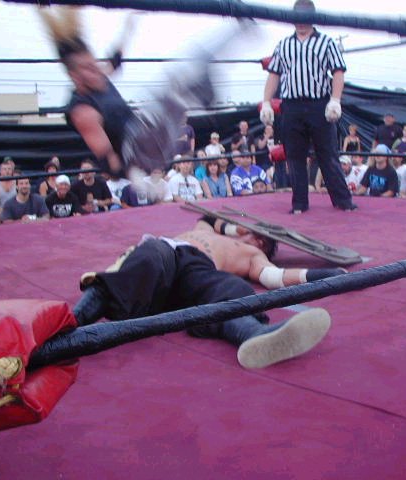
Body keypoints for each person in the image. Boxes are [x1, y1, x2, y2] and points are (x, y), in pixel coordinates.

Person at [72, 217, 345, 368]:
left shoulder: (253, 254)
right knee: (141, 266)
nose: (253, 237)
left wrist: (329, 275)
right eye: (253, 233)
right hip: (167, 253)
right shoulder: (208, 231)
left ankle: (254, 334)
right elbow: (207, 218)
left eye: (259, 238)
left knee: (234, 288)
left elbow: (275, 278)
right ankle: (69, 327)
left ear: (262, 244)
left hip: (197, 272)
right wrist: (236, 227)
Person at [39, 7, 219, 184]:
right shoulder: (82, 111)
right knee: (175, 92)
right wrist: (137, 181)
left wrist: (128, 27)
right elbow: (107, 158)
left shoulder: (95, 76)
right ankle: (196, 94)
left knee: (182, 76)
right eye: (88, 68)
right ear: (74, 76)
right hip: (133, 154)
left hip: (142, 131)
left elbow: (113, 62)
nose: (97, 70)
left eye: (94, 64)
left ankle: (225, 41)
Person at [260, 0, 356, 214]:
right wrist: (266, 101)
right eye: (298, 18)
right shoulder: (283, 45)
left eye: (305, 18)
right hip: (291, 106)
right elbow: (274, 74)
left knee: (328, 154)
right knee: (294, 156)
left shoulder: (326, 42)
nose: (301, 23)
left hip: (319, 104)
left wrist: (335, 99)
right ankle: (299, 204)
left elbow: (338, 71)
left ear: (313, 18)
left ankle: (343, 201)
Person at [0, 157, 17, 224]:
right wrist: (1, 210)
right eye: (4, 169)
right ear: (0, 171)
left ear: (12, 171)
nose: (7, 171)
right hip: (2, 210)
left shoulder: (17, 182)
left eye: (9, 169)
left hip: (16, 209)